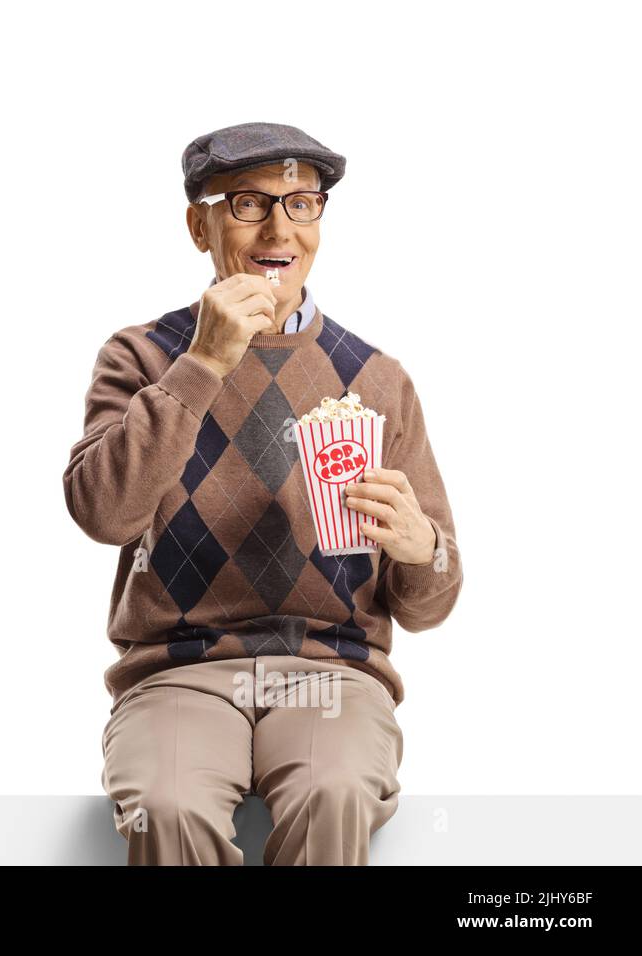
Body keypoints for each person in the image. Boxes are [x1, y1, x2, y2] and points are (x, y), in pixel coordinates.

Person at [62, 121, 463, 865]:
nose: (280, 227)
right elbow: (102, 511)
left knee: (335, 792)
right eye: (247, 203)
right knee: (165, 805)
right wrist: (203, 363)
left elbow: (431, 600)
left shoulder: (377, 377)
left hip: (333, 672)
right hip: (179, 672)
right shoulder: (143, 355)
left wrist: (421, 546)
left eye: (302, 203)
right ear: (198, 224)